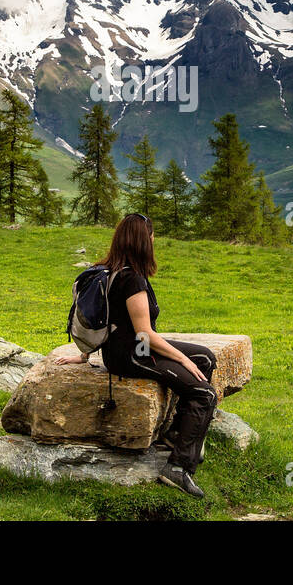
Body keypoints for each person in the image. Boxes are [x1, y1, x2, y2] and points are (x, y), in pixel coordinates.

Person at [56, 212, 218, 498]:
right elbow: (144, 334)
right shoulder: (132, 279)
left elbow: (103, 320)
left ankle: (179, 435)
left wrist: (83, 356)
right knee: (204, 394)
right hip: (133, 353)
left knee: (205, 358)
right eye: (153, 237)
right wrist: (181, 358)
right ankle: (179, 469)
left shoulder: (111, 270)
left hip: (125, 348)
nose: (155, 242)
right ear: (145, 241)